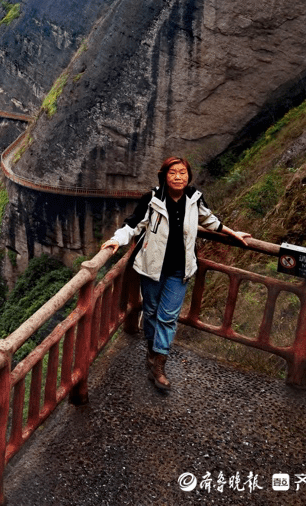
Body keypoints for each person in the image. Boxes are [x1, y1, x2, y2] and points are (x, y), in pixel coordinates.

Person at [101, 156, 251, 392]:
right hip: (152, 267)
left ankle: (159, 365)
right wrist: (115, 240)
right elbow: (132, 225)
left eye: (182, 172)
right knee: (150, 311)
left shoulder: (194, 198)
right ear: (164, 176)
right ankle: (151, 352)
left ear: (189, 176)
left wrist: (232, 233)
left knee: (168, 316)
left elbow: (209, 220)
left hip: (180, 270)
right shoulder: (152, 199)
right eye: (173, 173)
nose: (178, 177)